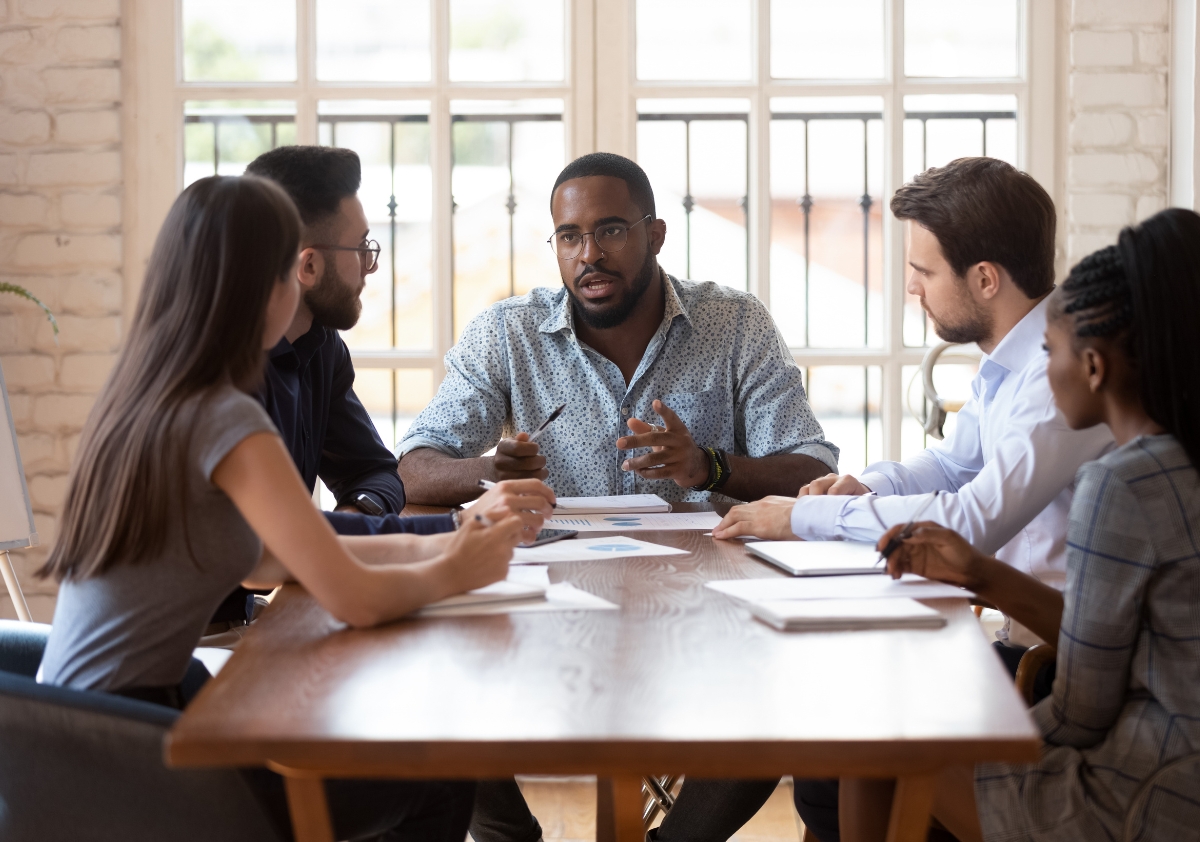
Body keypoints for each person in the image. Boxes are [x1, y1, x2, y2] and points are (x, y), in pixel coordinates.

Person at [37, 174, 528, 842]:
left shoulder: (145, 395)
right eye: (287, 279)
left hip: (74, 736)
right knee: (440, 774)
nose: (296, 291)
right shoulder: (225, 419)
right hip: (132, 756)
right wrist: (457, 571)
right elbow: (352, 598)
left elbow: (271, 561)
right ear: (262, 289)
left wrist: (443, 540)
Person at [656, 158, 1114, 842]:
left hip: (1047, 667)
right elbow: (957, 463)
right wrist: (867, 485)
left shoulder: (1056, 375)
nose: (910, 288)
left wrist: (802, 515)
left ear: (984, 279)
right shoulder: (1011, 365)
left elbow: (974, 519)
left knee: (834, 723)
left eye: (923, 271)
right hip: (1019, 644)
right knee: (823, 729)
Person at [840, 208, 1200, 841]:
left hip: (1143, 796)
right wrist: (982, 573)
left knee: (875, 734)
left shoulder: (1119, 485)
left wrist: (994, 732)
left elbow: (1083, 711)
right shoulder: (1177, 464)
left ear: (1093, 368)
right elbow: (1125, 645)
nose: (1042, 369)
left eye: (1049, 350)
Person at [202, 146, 554, 636]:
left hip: (207, 643)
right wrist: (455, 539)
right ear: (304, 268)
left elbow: (280, 548)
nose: (371, 268)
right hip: (176, 673)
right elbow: (301, 565)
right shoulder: (223, 399)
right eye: (363, 248)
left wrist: (397, 528)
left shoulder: (310, 351)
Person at [398, 152, 838, 506]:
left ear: (656, 236)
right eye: (569, 237)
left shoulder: (735, 323)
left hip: (701, 577)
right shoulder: (508, 333)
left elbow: (815, 472)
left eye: (610, 231)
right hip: (559, 578)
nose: (589, 255)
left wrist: (708, 467)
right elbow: (411, 470)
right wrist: (492, 472)